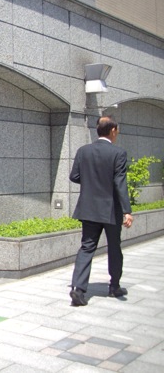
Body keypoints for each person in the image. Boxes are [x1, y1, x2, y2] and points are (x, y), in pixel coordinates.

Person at [69, 116, 133, 306]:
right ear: (112, 130)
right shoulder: (118, 153)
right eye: (117, 130)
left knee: (87, 247)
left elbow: (74, 176)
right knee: (114, 247)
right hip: (111, 210)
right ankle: (114, 287)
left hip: (88, 208)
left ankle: (78, 289)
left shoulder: (83, 151)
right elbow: (120, 182)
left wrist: (91, 182)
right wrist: (127, 210)